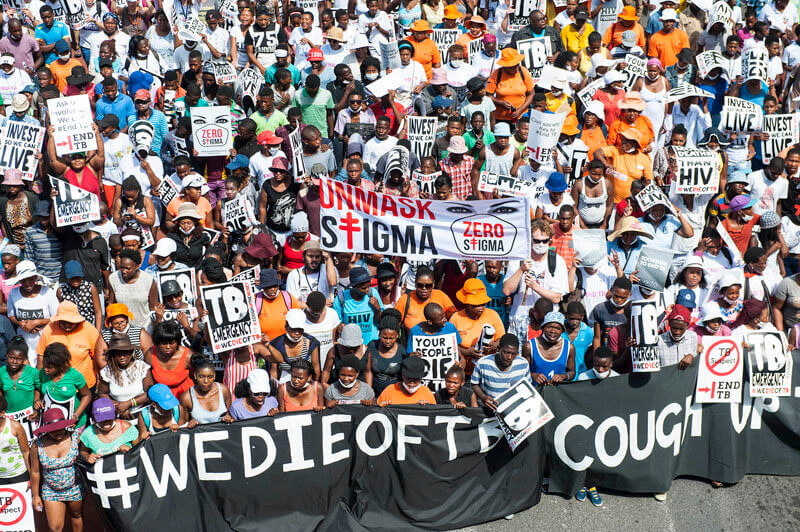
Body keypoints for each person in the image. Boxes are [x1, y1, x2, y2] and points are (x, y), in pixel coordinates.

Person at [30, 409, 84, 532]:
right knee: (55, 528)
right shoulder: (37, 445)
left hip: (75, 487)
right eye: (52, 430)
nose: (57, 432)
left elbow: (88, 453)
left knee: (76, 516)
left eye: (59, 428)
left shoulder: (76, 438)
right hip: (51, 491)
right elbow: (35, 471)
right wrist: (36, 496)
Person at [97, 333, 153, 419]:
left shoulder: (142, 367)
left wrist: (128, 403)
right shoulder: (107, 371)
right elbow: (102, 393)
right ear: (113, 355)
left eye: (125, 353)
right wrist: (119, 407)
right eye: (118, 354)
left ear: (131, 352)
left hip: (143, 413)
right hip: (118, 414)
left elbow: (149, 393)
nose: (122, 357)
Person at [471, 333, 530, 408]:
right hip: (489, 410)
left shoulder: (523, 364)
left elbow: (527, 386)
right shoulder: (483, 363)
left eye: (514, 354)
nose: (509, 357)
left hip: (514, 410)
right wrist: (483, 397)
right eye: (506, 352)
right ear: (498, 348)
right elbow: (474, 384)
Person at [79, 397, 140, 463]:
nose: (106, 422)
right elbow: (83, 451)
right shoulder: (88, 434)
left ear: (115, 415)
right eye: (101, 419)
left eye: (109, 418)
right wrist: (87, 457)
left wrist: (130, 451)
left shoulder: (127, 428)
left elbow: (139, 450)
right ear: (94, 418)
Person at [145, 320, 193, 399]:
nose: (168, 347)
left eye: (171, 343)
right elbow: (146, 379)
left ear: (177, 342)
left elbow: (196, 376)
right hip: (161, 398)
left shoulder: (188, 356)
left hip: (185, 396)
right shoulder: (150, 354)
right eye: (164, 343)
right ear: (158, 343)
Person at [181, 355, 234, 427]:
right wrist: (189, 424)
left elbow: (232, 416)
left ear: (214, 376)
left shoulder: (223, 390)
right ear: (195, 375)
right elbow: (181, 426)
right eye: (201, 376)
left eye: (210, 377)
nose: (206, 381)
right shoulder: (187, 398)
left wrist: (229, 418)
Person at [525, 311, 576, 385]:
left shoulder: (569, 347)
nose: (553, 331)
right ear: (543, 328)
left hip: (558, 393)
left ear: (562, 331)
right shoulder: (529, 346)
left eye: (557, 328)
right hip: (536, 393)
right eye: (550, 327)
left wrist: (563, 376)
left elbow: (572, 372)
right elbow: (522, 371)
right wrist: (533, 375)